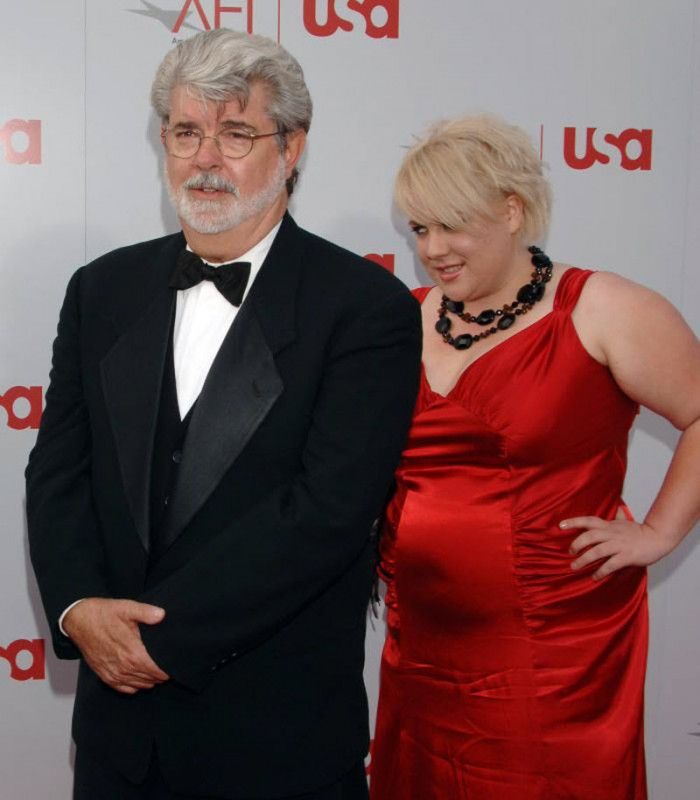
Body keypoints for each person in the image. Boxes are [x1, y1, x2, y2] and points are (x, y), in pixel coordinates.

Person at [26, 29, 421, 800]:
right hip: (117, 746)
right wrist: (76, 609)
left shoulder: (363, 307)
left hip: (277, 741)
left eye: (236, 133)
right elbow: (59, 472)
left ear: (292, 147)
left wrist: (160, 639)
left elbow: (329, 510)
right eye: (185, 132)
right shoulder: (100, 290)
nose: (205, 159)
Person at [369, 114, 700, 800]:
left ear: (512, 210)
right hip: (422, 645)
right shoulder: (405, 316)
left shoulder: (603, 309)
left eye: (451, 225)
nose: (432, 249)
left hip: (555, 646)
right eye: (420, 229)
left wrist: (660, 531)